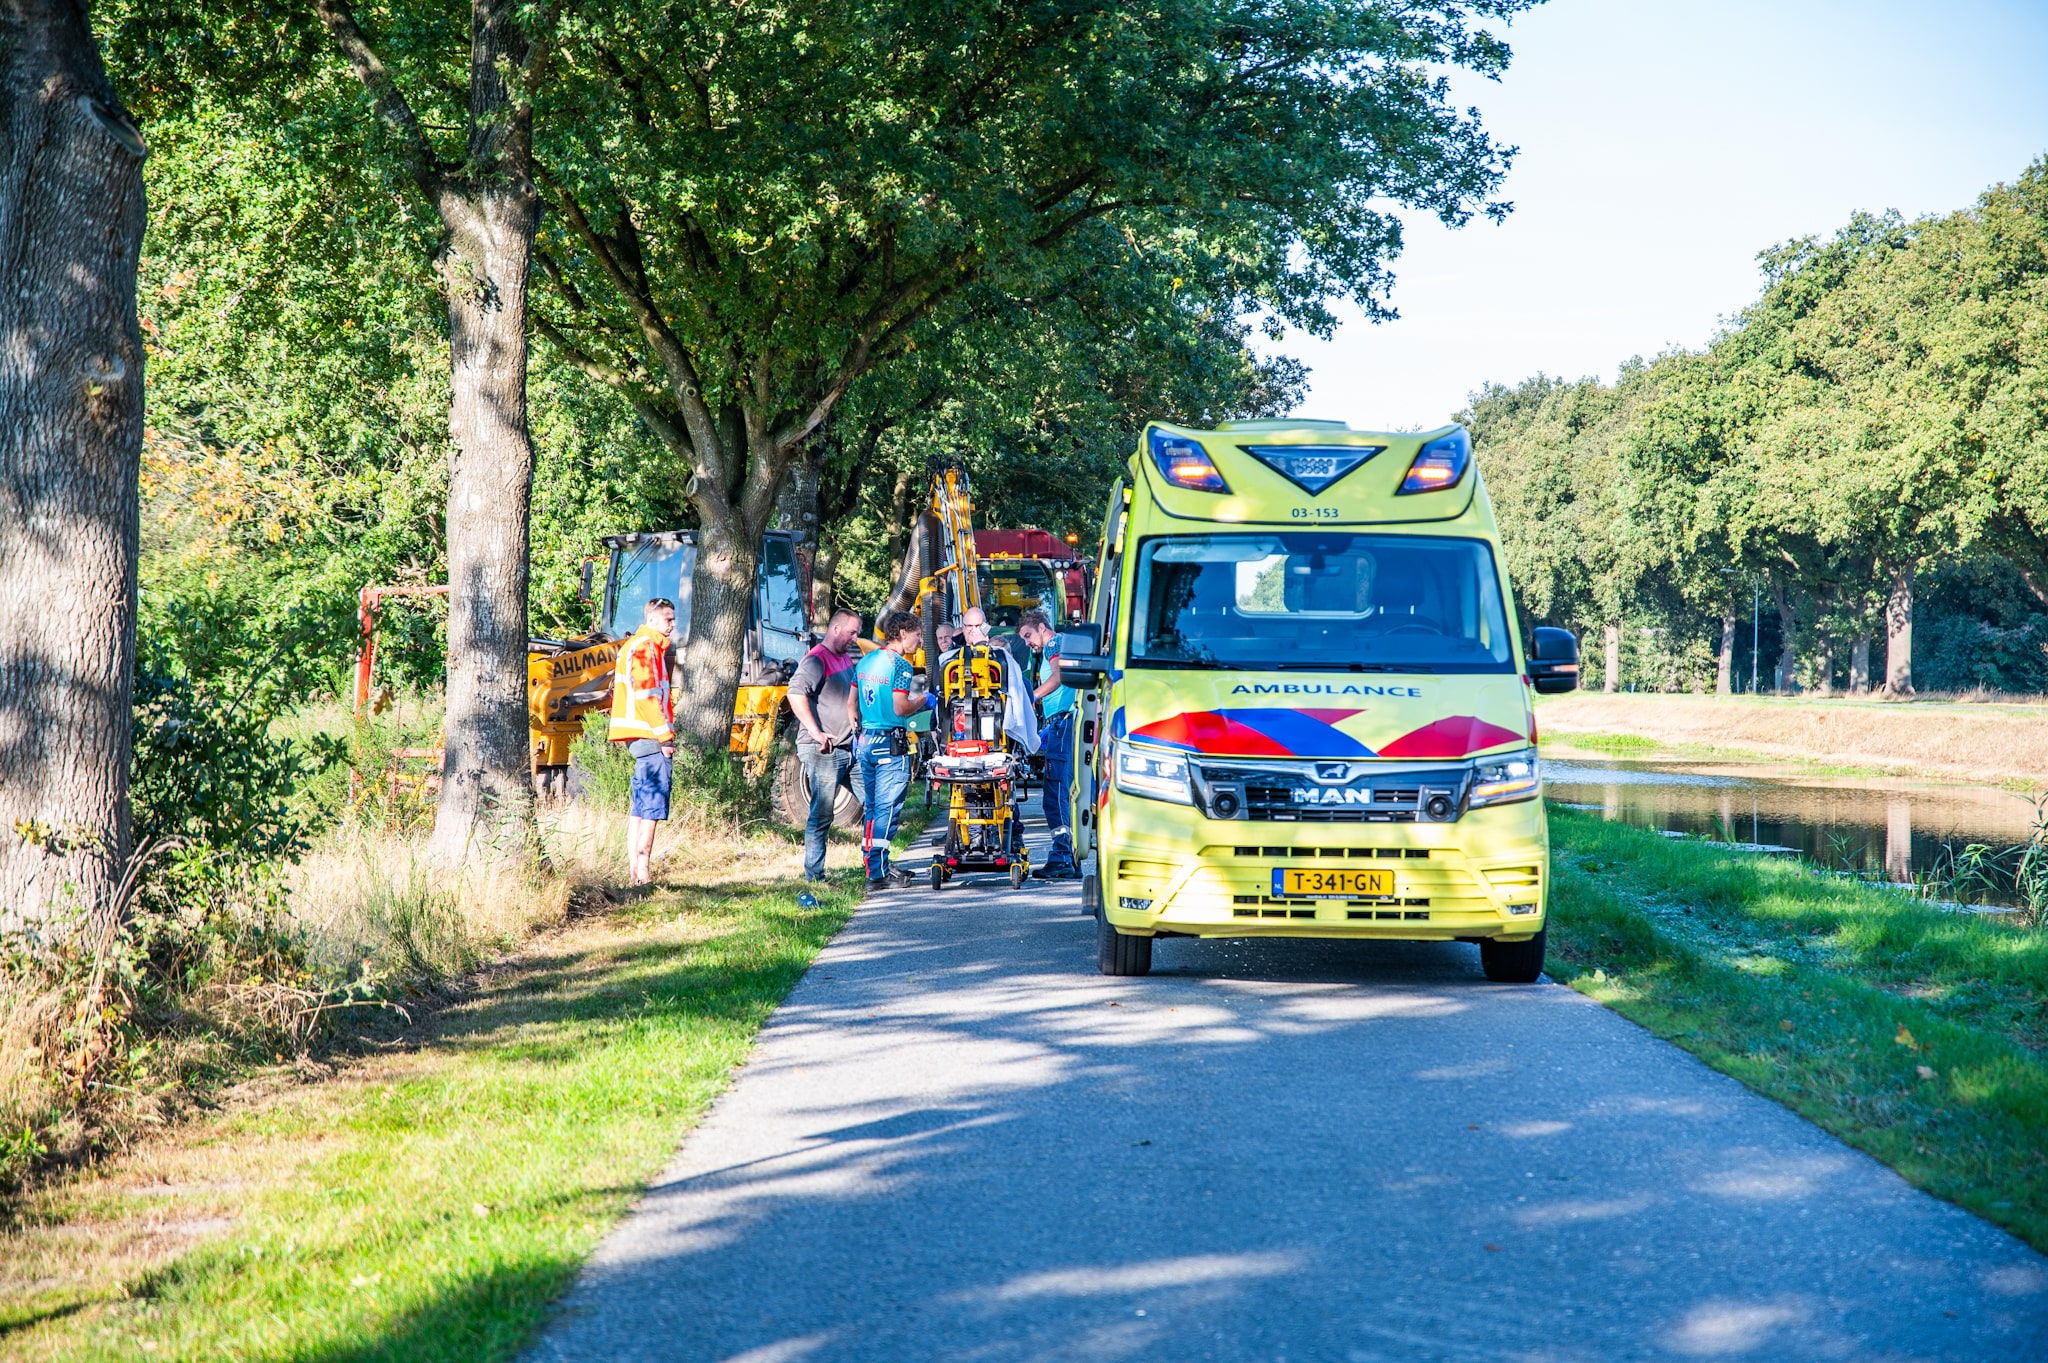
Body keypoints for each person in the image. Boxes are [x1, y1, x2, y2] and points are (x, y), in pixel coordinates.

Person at [854, 609, 937, 889]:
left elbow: (851, 704)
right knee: (888, 809)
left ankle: (874, 864)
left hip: (867, 741)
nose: (920, 641)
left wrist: (861, 726)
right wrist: (923, 700)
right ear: (902, 634)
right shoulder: (900, 665)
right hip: (890, 743)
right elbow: (901, 706)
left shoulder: (865, 661)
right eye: (917, 635)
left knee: (873, 807)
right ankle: (877, 874)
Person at [786, 607, 863, 882]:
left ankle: (878, 867)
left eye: (858, 633)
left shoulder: (843, 659)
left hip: (847, 748)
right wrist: (816, 732)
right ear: (836, 629)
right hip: (824, 750)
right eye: (852, 632)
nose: (855, 638)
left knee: (874, 803)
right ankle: (814, 876)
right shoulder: (816, 659)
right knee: (822, 813)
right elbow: (795, 694)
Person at [607, 596, 677, 886]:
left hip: (636, 735)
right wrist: (665, 737)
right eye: (668, 620)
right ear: (652, 620)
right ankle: (643, 875)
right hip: (649, 736)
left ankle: (635, 872)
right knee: (651, 806)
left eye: (673, 619)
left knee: (640, 806)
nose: (673, 625)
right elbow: (649, 698)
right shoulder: (647, 648)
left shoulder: (633, 645)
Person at [1018, 608, 1079, 879]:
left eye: (1029, 635)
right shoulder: (1054, 646)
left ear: (1043, 627)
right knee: (1064, 793)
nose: (1028, 642)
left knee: (1054, 793)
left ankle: (1062, 857)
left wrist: (1031, 697)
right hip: (1060, 722)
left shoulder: (1054, 643)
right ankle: (1069, 856)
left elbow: (1059, 677)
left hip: (1064, 723)